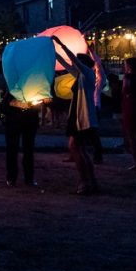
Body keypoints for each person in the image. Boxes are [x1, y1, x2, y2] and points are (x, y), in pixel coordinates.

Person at [54, 35, 99, 194]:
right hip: (78, 115)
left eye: (78, 62)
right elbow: (67, 65)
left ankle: (85, 182)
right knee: (79, 149)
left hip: (82, 117)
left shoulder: (87, 74)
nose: (75, 64)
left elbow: (73, 60)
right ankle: (90, 181)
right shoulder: (81, 76)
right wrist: (55, 53)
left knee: (77, 148)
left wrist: (61, 44)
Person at [0, 72, 44, 187]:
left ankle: (29, 178)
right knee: (12, 150)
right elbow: (5, 105)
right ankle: (11, 177)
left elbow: (39, 104)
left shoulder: (34, 87)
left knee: (28, 150)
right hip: (13, 122)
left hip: (29, 121)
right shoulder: (12, 87)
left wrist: (35, 103)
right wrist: (17, 104)